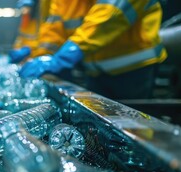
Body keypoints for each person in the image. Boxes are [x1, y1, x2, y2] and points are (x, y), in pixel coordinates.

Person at [19, 0, 167, 100]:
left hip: (134, 69)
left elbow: (111, 14)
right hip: (93, 72)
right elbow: (54, 28)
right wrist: (42, 57)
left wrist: (66, 55)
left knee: (132, 134)